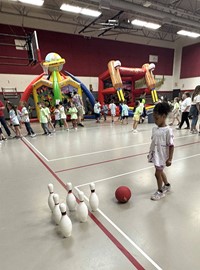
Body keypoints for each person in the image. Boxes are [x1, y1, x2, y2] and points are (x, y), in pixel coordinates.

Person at [148, 102, 174, 201]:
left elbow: (171, 146)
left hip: (162, 156)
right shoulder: (155, 129)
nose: (155, 120)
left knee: (157, 174)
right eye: (154, 118)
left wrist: (170, 159)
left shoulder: (168, 130)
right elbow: (154, 142)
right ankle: (166, 185)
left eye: (156, 118)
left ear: (163, 116)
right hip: (156, 155)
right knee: (160, 171)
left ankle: (160, 191)